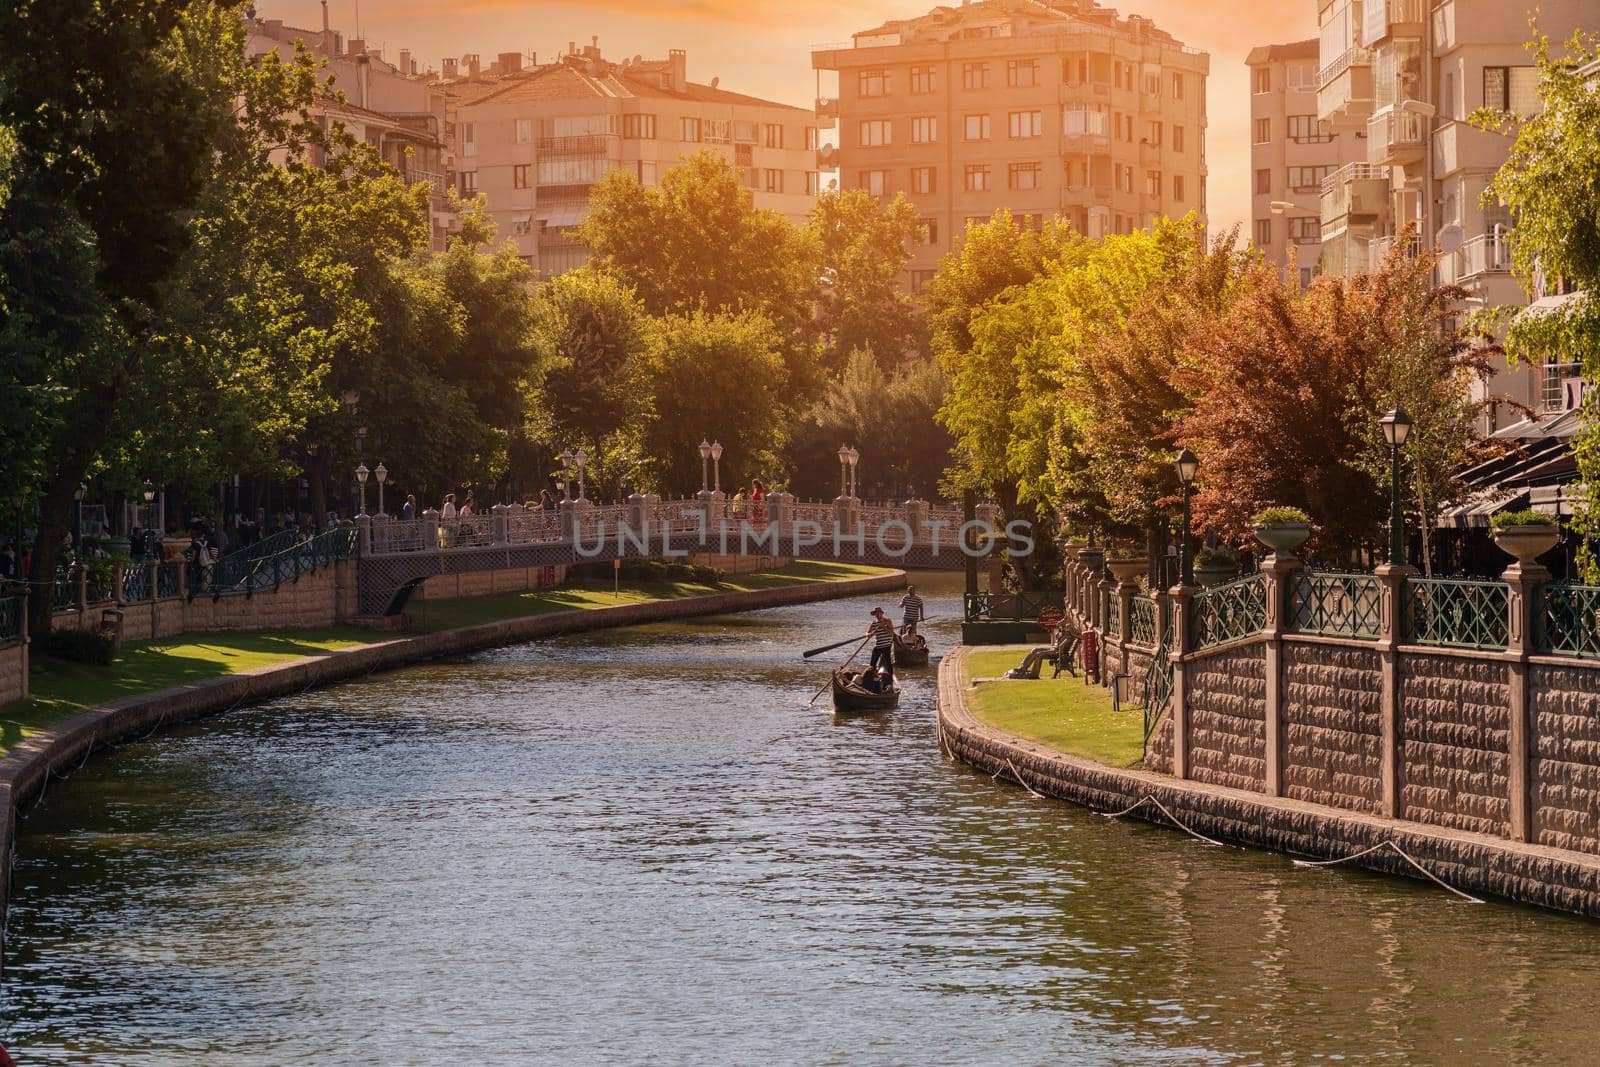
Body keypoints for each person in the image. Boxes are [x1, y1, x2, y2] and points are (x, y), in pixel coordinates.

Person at [867, 607, 896, 679]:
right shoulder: (874, 623)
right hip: (878, 645)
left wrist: (884, 627)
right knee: (872, 663)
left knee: (888, 663)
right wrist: (868, 634)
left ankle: (890, 678)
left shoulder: (887, 621)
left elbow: (891, 633)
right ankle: (872, 677)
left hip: (886, 645)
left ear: (881, 613)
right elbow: (868, 632)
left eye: (878, 613)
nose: (877, 614)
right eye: (875, 613)